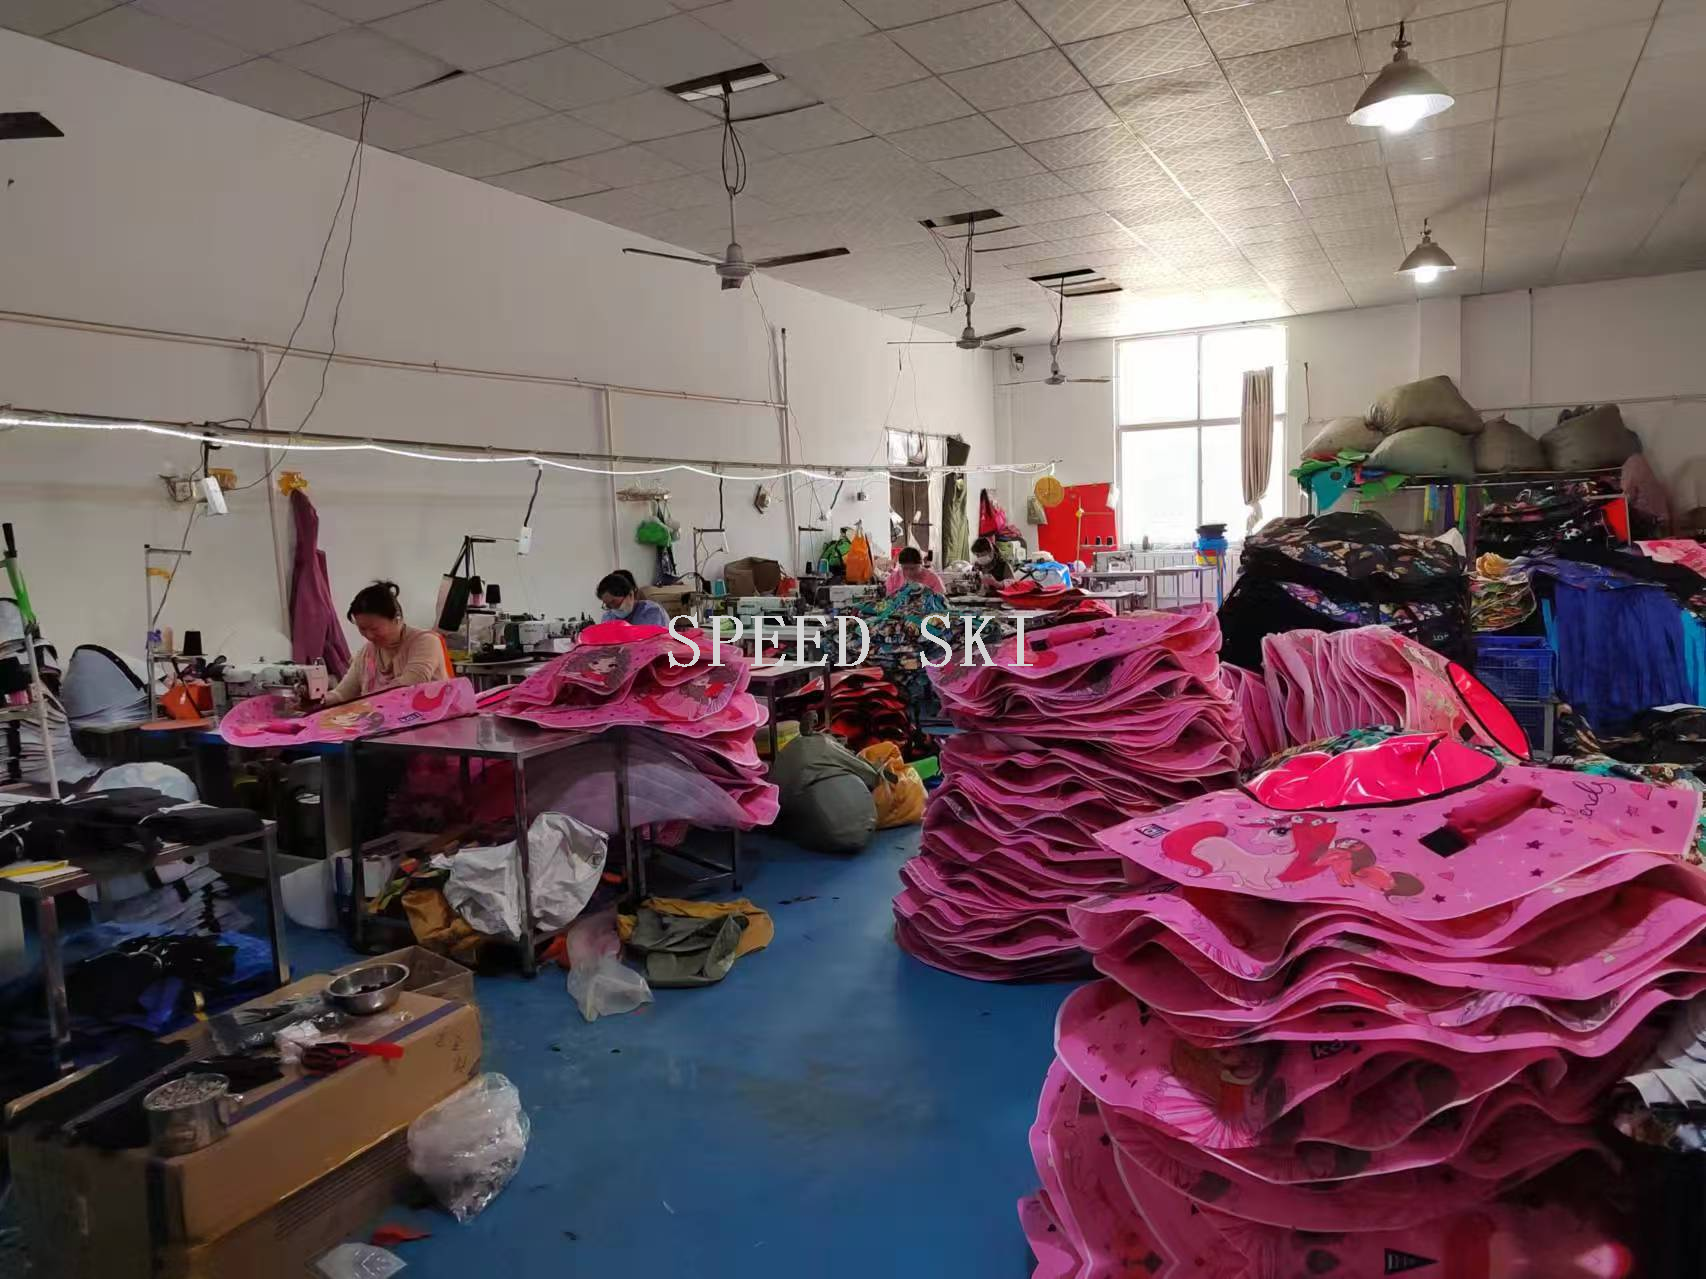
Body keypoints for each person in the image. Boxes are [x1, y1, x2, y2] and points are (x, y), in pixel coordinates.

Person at [322, 581, 449, 706]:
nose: (369, 635)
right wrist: (320, 700)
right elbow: (342, 694)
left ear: (397, 619)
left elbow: (410, 683)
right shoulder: (366, 653)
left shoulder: (426, 641)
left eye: (374, 629)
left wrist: (365, 703)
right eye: (362, 629)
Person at [597, 571, 670, 627]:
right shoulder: (608, 617)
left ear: (630, 594)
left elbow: (657, 640)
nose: (613, 608)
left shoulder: (652, 612)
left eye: (615, 603)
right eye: (608, 606)